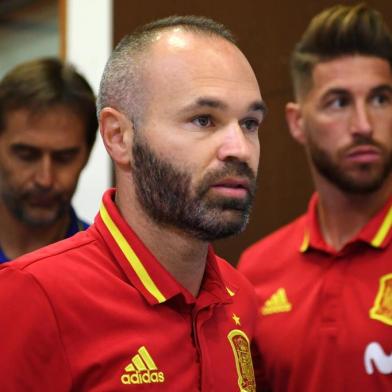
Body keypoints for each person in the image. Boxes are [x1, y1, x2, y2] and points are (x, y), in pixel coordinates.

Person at [0, 16, 266, 391]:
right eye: (203, 120)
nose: (239, 148)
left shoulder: (241, 298)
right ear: (119, 137)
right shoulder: (32, 296)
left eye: (250, 123)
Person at [238, 4, 392, 392]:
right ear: (297, 122)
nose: (363, 125)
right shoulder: (256, 272)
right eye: (338, 102)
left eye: (380, 99)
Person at [0, 58, 97, 262]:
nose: (45, 179)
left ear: (87, 154)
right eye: (26, 155)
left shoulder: (107, 268)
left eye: (64, 158)